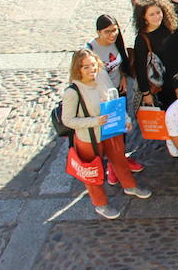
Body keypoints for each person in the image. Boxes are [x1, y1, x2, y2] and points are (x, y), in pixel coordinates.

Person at [62, 49, 150, 219]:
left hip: (111, 130)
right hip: (90, 137)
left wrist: (125, 119)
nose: (91, 70)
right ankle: (100, 203)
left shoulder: (101, 75)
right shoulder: (73, 92)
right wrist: (95, 121)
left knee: (119, 160)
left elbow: (114, 100)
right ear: (77, 69)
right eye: (85, 67)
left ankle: (130, 185)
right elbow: (68, 120)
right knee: (92, 172)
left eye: (93, 65)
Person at [132, 0, 178, 111]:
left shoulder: (171, 26)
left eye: (158, 12)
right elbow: (140, 68)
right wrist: (146, 93)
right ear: (144, 17)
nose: (157, 16)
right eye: (151, 14)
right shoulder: (142, 39)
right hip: (163, 88)